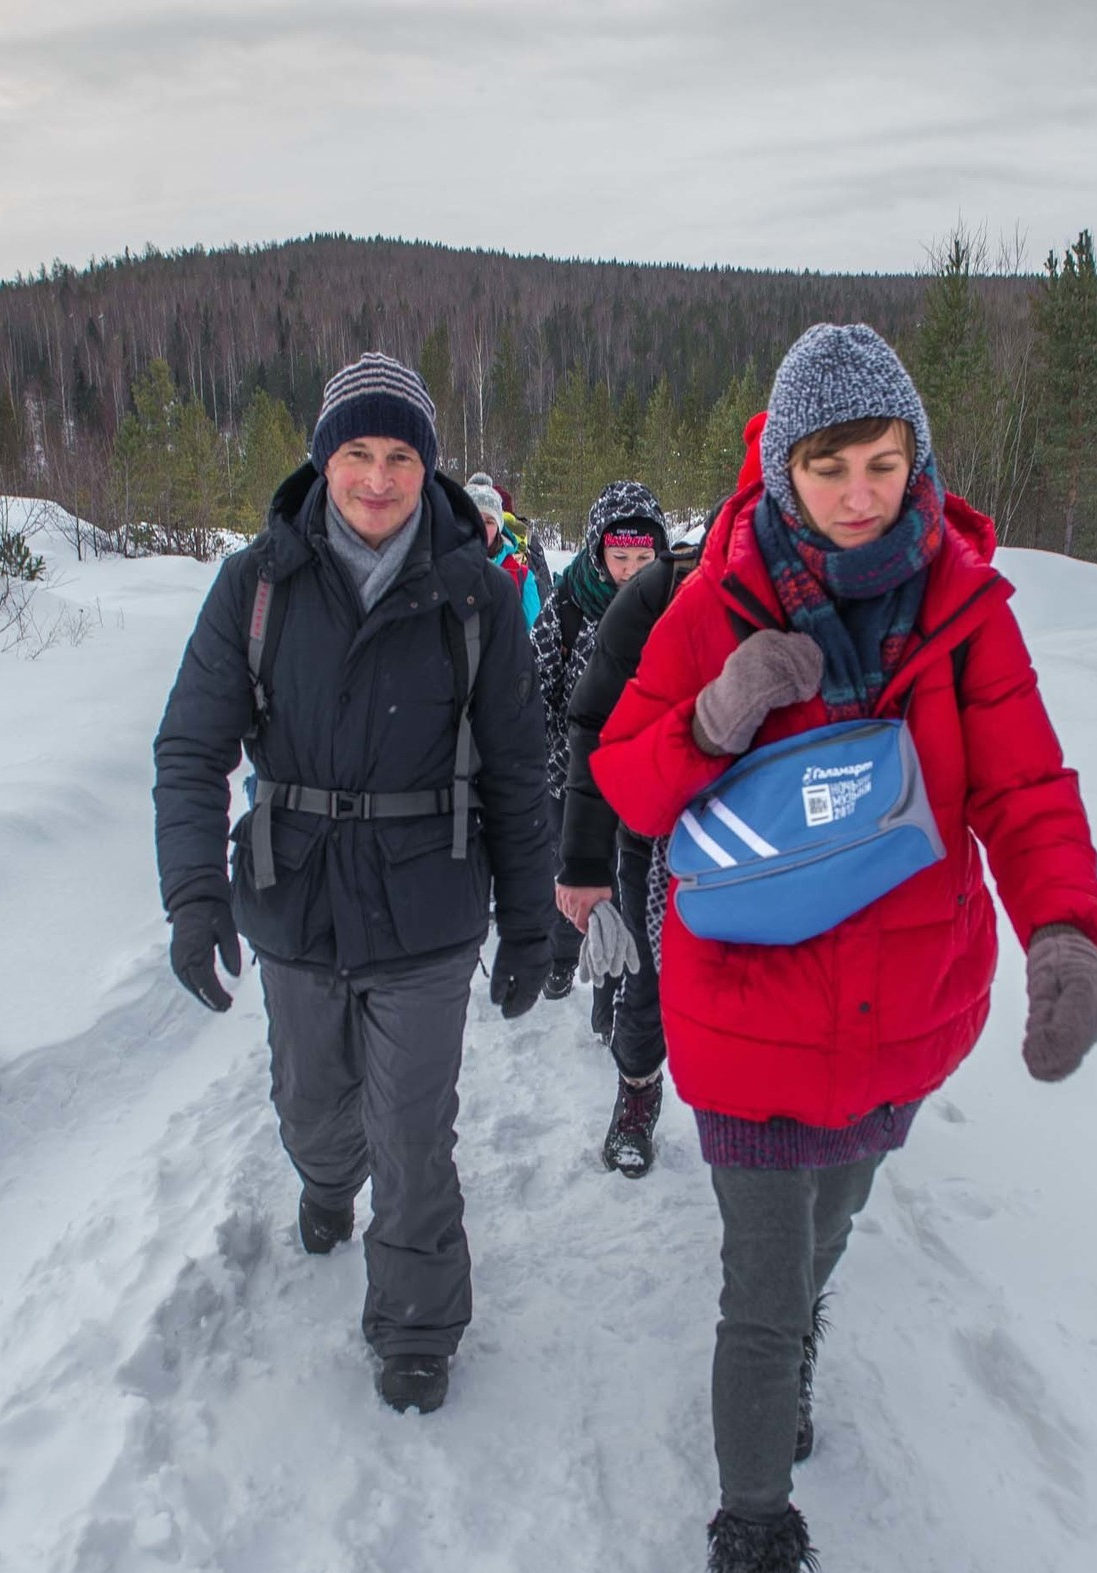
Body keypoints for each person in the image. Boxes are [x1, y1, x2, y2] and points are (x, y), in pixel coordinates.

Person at [591, 325, 1097, 1573]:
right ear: (784, 467)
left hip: (905, 1018)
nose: (861, 494)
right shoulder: (714, 601)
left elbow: (1025, 789)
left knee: (830, 1237)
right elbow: (629, 781)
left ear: (917, 458)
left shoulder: (964, 608)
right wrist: (718, 711)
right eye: (831, 468)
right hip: (750, 1016)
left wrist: (1065, 932)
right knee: (764, 1298)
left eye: (885, 463)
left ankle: (799, 1346)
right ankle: (755, 1568)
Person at [152, 351, 554, 1416]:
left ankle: (417, 1324)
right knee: (313, 1109)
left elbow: (518, 768)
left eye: (401, 457)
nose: (378, 479)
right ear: (323, 459)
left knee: (412, 1133)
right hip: (295, 899)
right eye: (358, 454)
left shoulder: (475, 594)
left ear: (429, 467)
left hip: (427, 907)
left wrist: (529, 924)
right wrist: (194, 896)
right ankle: (328, 1181)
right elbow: (190, 750)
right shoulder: (257, 586)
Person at [554, 479, 709, 1177]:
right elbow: (588, 721)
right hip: (648, 822)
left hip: (758, 837)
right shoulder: (658, 595)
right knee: (644, 972)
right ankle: (637, 1093)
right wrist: (581, 861)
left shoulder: (811, 597)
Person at [535, 480, 669, 1009]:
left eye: (643, 558)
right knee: (575, 877)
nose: (632, 571)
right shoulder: (568, 605)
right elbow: (535, 686)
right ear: (598, 552)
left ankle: (610, 998)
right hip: (571, 778)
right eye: (620, 558)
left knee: (627, 890)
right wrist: (545, 752)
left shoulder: (669, 605)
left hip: (639, 780)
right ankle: (563, 955)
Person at [464, 472, 546, 629]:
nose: (481, 527)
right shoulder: (442, 566)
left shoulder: (521, 575)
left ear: (499, 526)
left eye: (489, 521)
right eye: (475, 519)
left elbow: (532, 633)